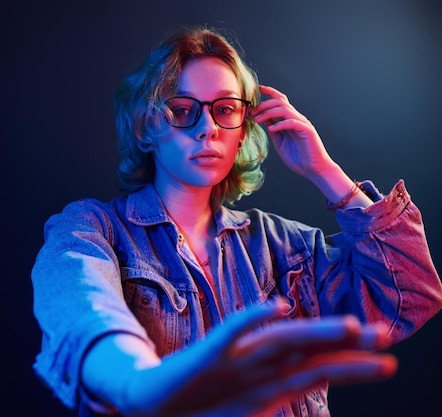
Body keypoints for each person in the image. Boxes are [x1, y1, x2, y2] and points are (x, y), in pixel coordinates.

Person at [30, 26, 442, 417]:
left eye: (225, 109)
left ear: (242, 130)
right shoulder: (91, 229)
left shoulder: (286, 247)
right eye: (182, 109)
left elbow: (411, 294)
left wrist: (326, 171)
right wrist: (139, 385)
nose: (207, 128)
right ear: (145, 128)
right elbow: (85, 309)